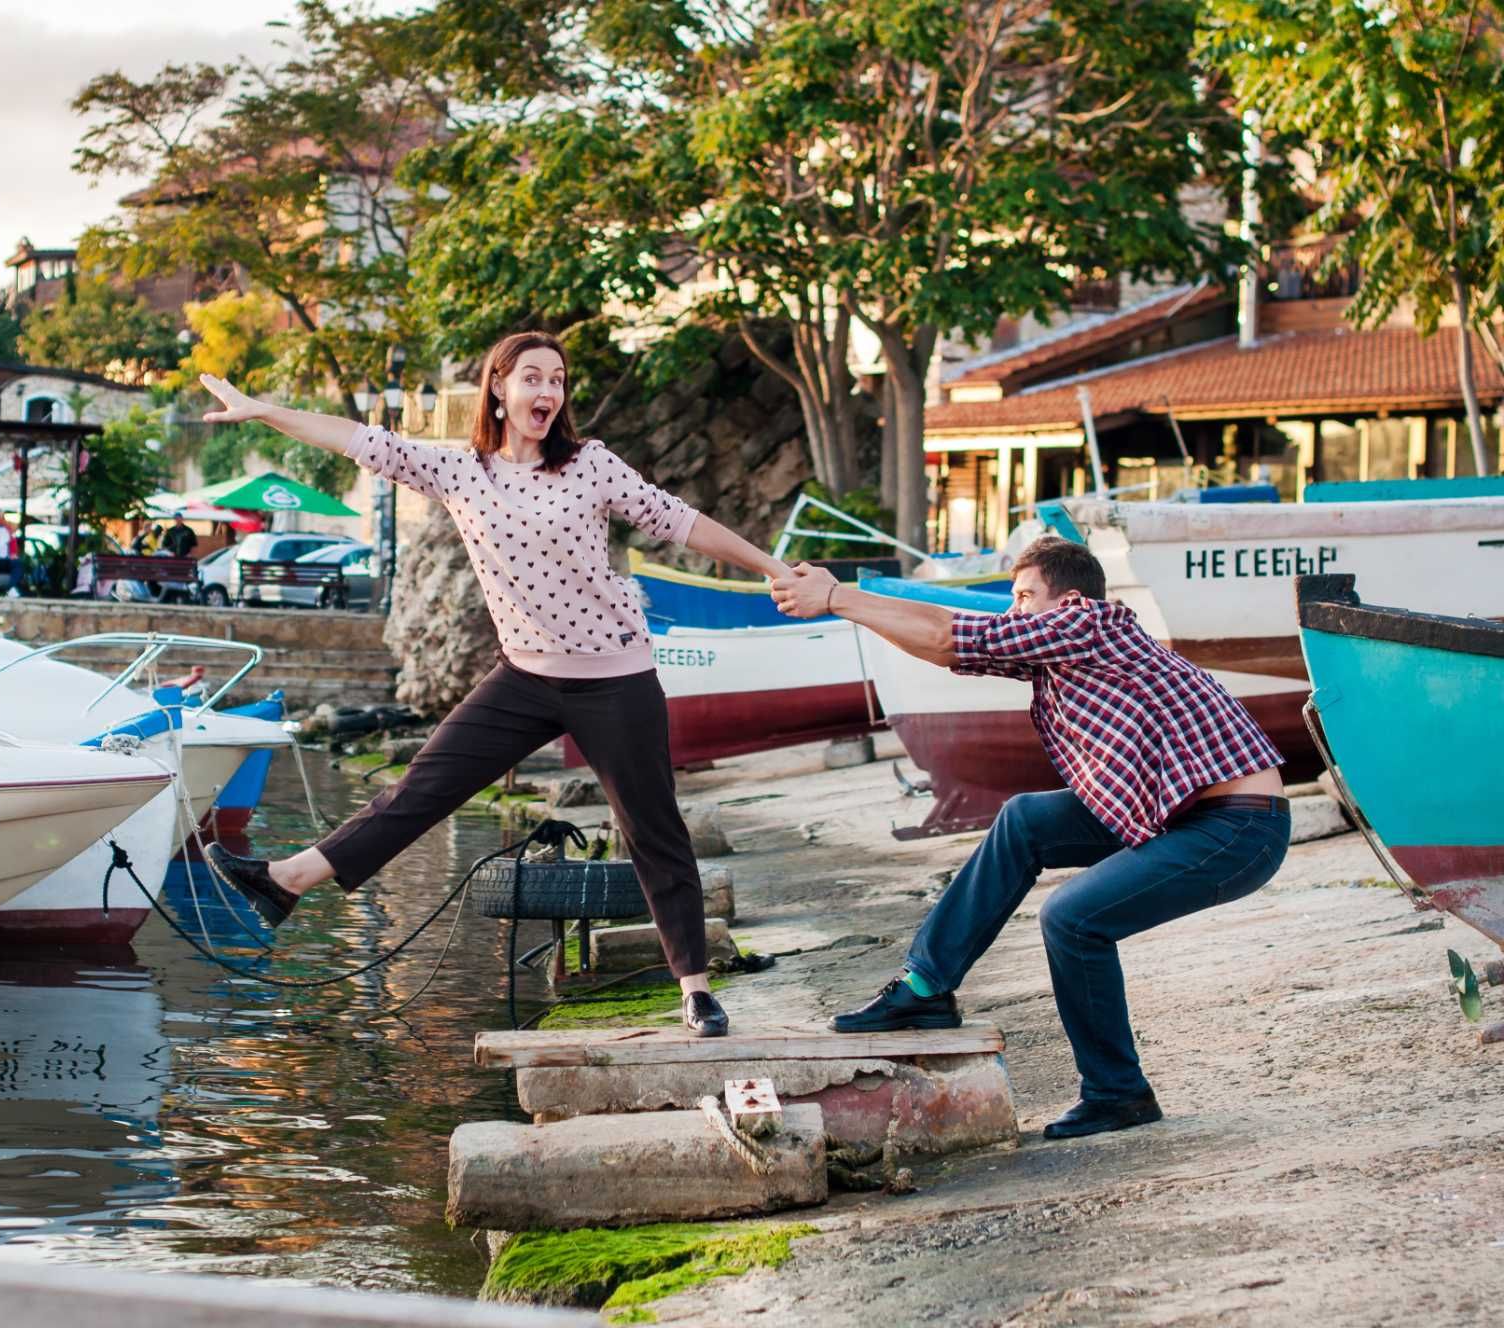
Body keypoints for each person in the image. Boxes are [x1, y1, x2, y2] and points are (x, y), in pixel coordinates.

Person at [195, 331, 794, 1036]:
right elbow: (359, 440)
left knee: (652, 829)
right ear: (500, 389)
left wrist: (772, 568)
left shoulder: (591, 465)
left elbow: (680, 520)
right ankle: (286, 880)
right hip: (524, 677)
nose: (548, 393)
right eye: (533, 378)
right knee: (420, 788)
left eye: (559, 381)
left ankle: (694, 988)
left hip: (614, 677)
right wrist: (263, 410)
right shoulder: (458, 471)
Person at [771, 536, 1291, 1137]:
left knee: (1072, 917)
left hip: (1238, 826)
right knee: (1025, 821)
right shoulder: (1059, 647)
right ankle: (925, 987)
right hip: (1182, 812)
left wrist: (837, 597)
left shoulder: (1088, 623)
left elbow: (952, 636)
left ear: (1066, 599)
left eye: (1024, 596)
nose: (1013, 611)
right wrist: (845, 604)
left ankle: (1118, 1093)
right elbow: (945, 647)